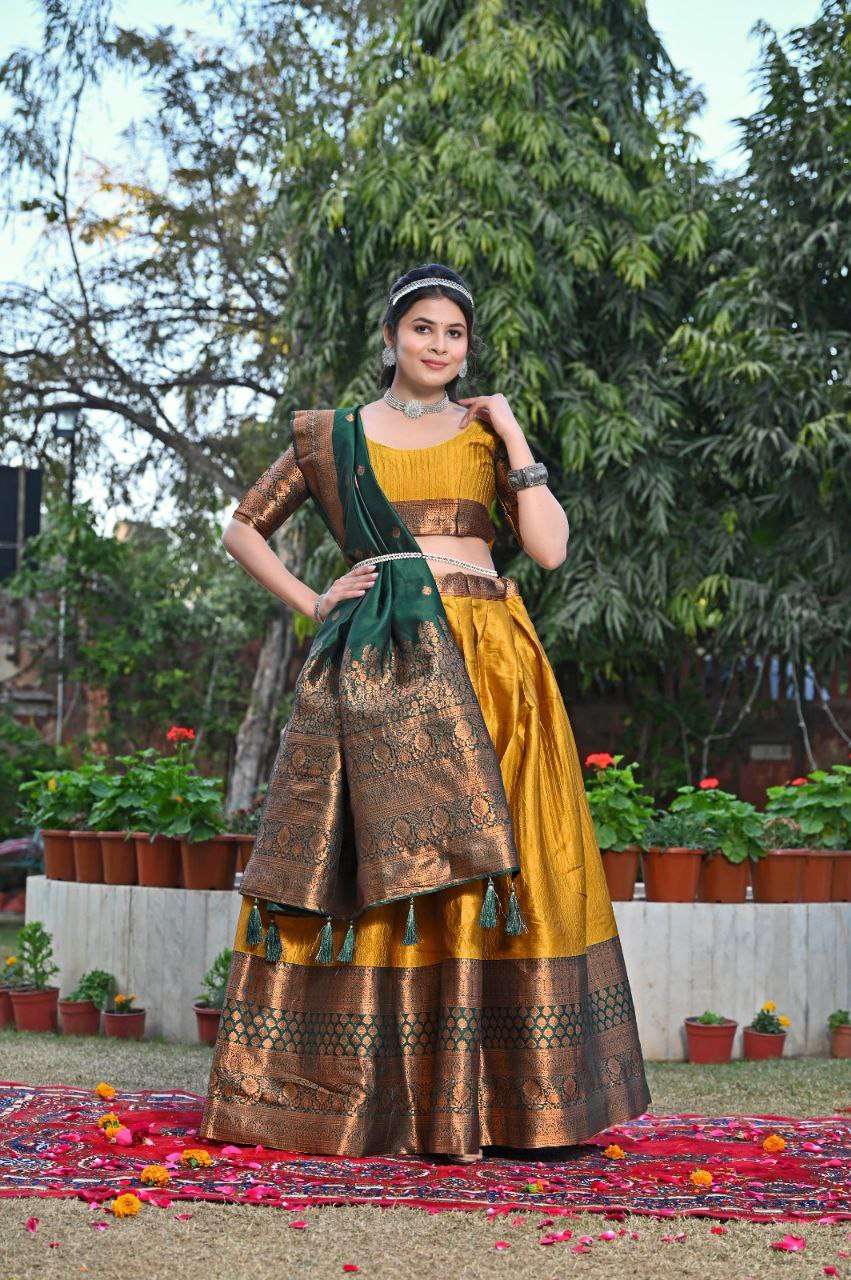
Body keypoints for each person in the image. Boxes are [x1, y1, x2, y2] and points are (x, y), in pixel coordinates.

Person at [198, 262, 651, 1162]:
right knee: (380, 858)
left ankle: (517, 1105)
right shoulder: (333, 437)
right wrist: (311, 599)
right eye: (422, 329)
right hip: (384, 659)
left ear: (467, 348)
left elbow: (548, 551)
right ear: (390, 337)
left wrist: (511, 429)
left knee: (502, 859)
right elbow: (241, 527)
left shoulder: (486, 434)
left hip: (490, 662)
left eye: (454, 333)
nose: (438, 346)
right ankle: (367, 1099)